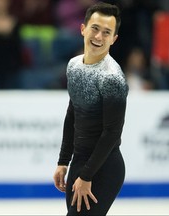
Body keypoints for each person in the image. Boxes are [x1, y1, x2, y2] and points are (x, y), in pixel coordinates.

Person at [53, 2, 128, 215]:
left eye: (106, 32)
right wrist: (63, 161)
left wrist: (87, 176)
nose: (98, 37)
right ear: (83, 28)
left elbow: (112, 133)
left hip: (104, 167)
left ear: (113, 39)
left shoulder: (111, 78)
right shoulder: (74, 66)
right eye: (95, 28)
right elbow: (72, 113)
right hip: (80, 161)